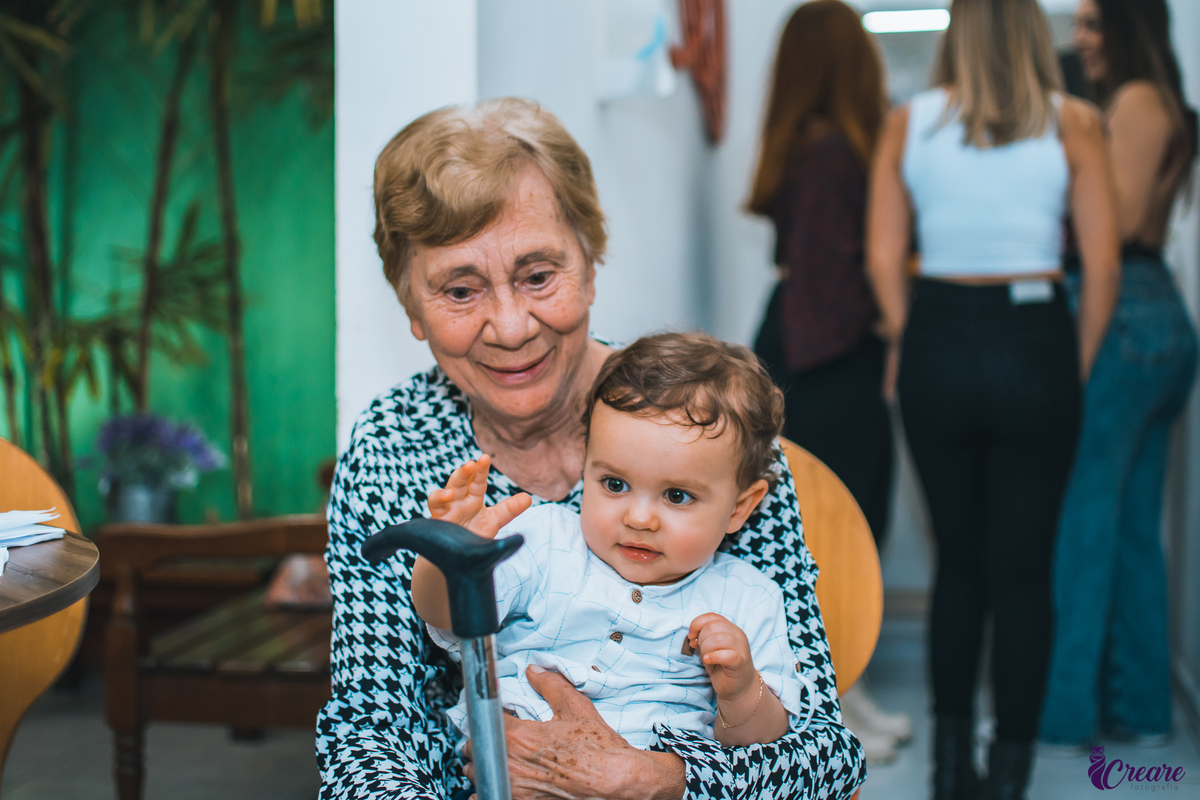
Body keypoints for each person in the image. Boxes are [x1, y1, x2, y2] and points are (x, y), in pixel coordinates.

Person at [318, 97, 865, 800]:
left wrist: (651, 778)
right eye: (460, 289)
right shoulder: (394, 447)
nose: (511, 327)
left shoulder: (702, 429)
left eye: (538, 276)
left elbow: (824, 760)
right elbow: (372, 723)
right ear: (411, 308)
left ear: (591, 265)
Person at [865, 0, 1121, 797]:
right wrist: (1074, 365)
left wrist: (910, 335)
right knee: (1024, 573)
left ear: (959, 31)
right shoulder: (1074, 121)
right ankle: (1008, 776)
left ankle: (949, 772)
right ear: (1032, 32)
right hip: (1036, 334)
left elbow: (882, 258)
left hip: (938, 333)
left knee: (959, 565)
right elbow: (1104, 267)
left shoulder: (907, 123)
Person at [413, 333, 812, 753]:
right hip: (509, 766)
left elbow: (765, 747)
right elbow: (453, 615)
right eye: (615, 484)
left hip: (653, 776)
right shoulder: (544, 541)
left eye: (677, 496)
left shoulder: (749, 600)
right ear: (585, 466)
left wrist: (742, 690)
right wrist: (446, 556)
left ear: (739, 508)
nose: (639, 519)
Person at [746, 0, 908, 764]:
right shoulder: (834, 153)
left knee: (829, 536)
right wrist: (892, 329)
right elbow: (827, 288)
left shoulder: (807, 149)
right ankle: (833, 704)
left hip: (804, 357)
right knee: (840, 536)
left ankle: (844, 689)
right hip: (826, 364)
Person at [1039, 0, 1199, 753]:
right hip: (1156, 316)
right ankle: (1141, 712)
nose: (1081, 39)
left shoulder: (1136, 100)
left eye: (1094, 24)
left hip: (1123, 314)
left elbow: (1121, 226)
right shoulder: (1162, 102)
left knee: (1084, 523)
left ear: (1130, 27)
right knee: (1132, 526)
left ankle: (1064, 717)